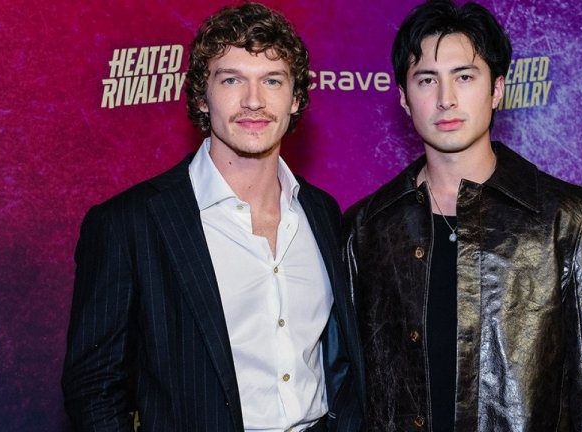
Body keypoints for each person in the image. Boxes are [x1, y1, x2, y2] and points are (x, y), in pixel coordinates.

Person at [62, 3, 363, 431]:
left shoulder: (322, 213)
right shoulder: (128, 224)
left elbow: (342, 363)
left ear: (295, 99)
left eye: (272, 80)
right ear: (203, 97)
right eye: (231, 79)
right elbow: (94, 387)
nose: (254, 101)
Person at [344, 0, 582, 430]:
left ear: (497, 89)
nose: (445, 99)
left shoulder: (567, 218)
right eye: (427, 80)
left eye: (464, 77)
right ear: (404, 97)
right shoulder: (367, 227)